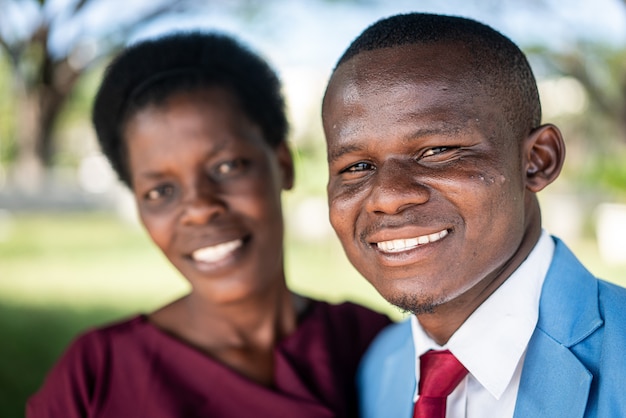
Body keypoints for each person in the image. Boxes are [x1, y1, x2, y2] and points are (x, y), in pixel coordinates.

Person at [27, 32, 390, 418]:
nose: (200, 208)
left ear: (283, 164)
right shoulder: (96, 376)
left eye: (227, 167)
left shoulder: (370, 345)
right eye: (160, 190)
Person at [321, 12, 626, 418]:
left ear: (537, 161)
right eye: (356, 167)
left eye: (437, 151)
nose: (389, 197)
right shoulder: (380, 368)